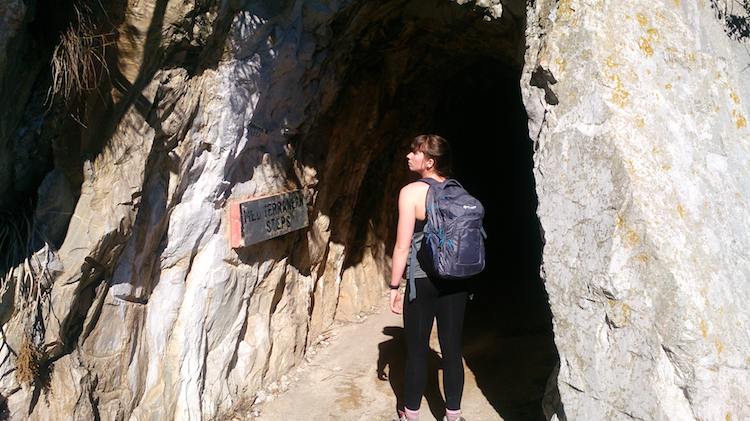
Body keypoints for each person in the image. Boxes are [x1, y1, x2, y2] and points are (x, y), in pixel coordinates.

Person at [389, 134, 469, 421]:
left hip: (422, 279)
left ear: (429, 161)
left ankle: (411, 413)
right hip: (457, 279)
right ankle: (453, 414)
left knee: (417, 351)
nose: (409, 156)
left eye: (415, 152)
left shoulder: (410, 192)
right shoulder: (457, 189)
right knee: (451, 348)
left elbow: (402, 245)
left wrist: (394, 285)